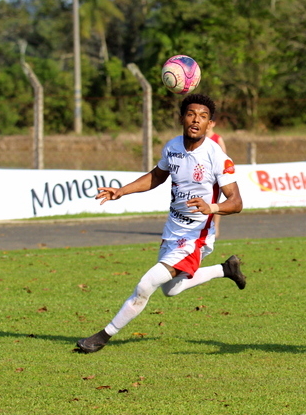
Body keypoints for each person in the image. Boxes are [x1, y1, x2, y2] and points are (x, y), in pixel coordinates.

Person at [76, 93, 247, 354]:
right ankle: (226, 269)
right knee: (172, 289)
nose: (195, 121)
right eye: (191, 114)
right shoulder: (172, 147)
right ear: (181, 118)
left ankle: (102, 336)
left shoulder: (217, 156)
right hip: (172, 230)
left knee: (147, 284)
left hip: (195, 237)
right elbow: (157, 176)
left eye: (203, 117)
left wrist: (211, 207)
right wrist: (122, 191)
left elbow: (236, 202)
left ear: (210, 124)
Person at [205, 121, 227, 238]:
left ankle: (215, 225)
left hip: (214, 176)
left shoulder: (217, 139)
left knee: (215, 202)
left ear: (213, 123)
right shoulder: (200, 139)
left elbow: (224, 158)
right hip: (203, 176)